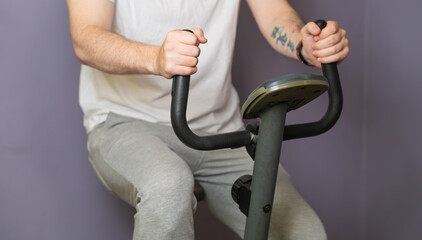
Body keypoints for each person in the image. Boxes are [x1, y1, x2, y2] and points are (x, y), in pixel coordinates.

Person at [66, 0, 349, 239]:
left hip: (219, 132)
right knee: (168, 185)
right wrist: (156, 59)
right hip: (127, 121)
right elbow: (87, 37)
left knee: (303, 232)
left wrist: (305, 43)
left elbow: (275, 14)